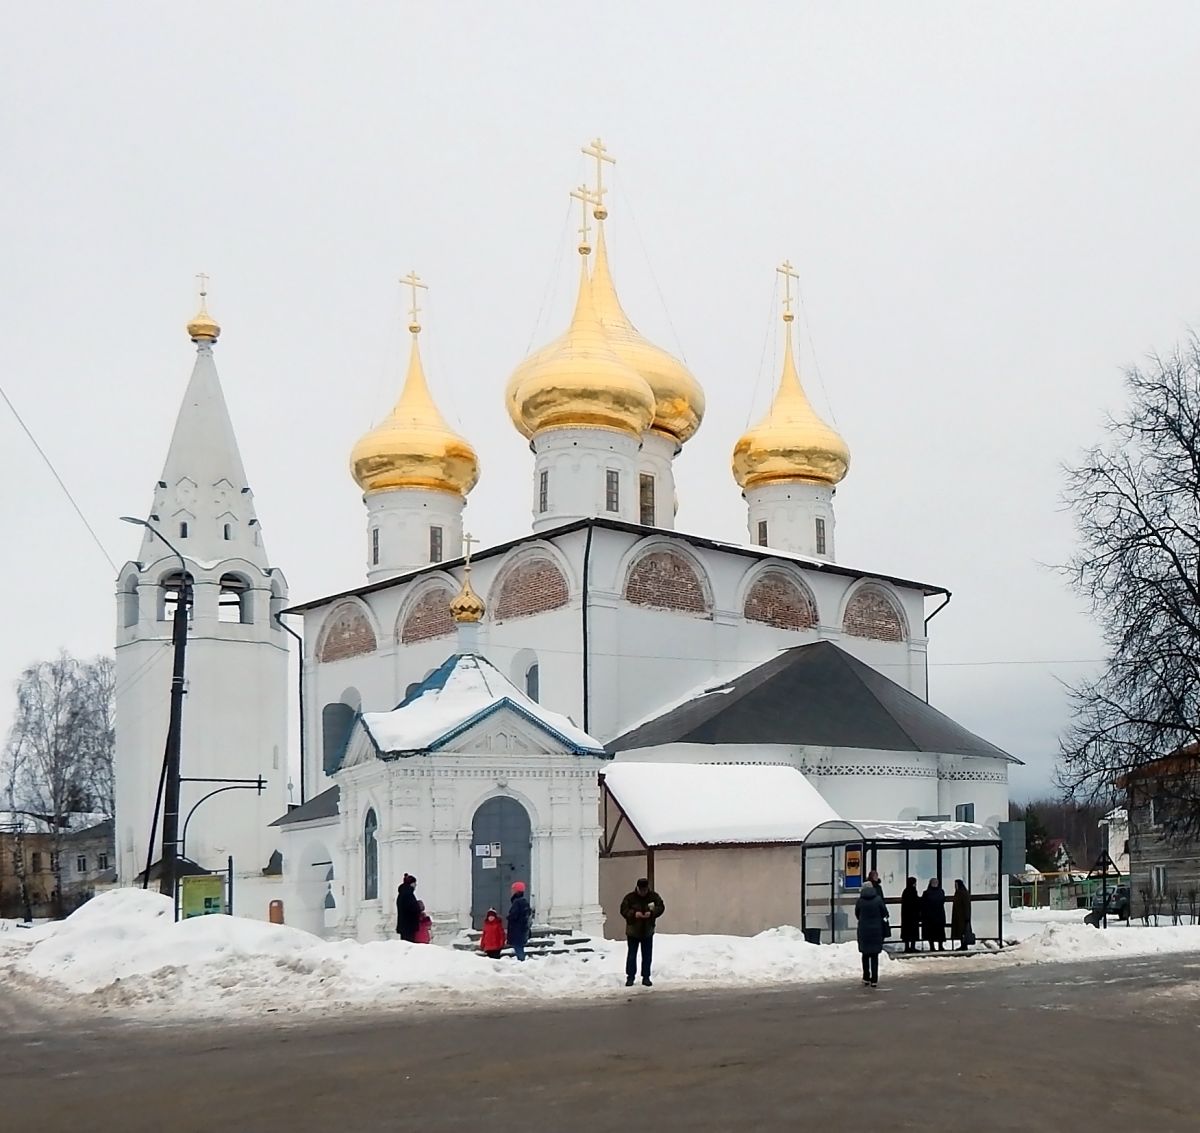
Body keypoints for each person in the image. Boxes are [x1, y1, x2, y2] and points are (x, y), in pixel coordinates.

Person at [619, 877, 665, 987]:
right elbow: (623, 910)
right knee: (632, 955)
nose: (643, 892)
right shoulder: (629, 898)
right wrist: (634, 914)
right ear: (638, 888)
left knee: (647, 955)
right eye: (641, 890)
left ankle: (646, 977)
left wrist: (652, 913)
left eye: (645, 890)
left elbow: (661, 907)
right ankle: (630, 977)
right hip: (633, 931)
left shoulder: (654, 896)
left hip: (648, 930)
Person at [854, 880, 887, 986]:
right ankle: (874, 979)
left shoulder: (860, 901)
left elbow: (857, 914)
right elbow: (884, 913)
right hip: (876, 930)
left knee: (865, 955)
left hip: (864, 930)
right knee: (874, 956)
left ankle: (866, 977)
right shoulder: (878, 899)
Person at [507, 881, 532, 961]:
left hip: (518, 929)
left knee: (518, 947)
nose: (511, 891)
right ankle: (521, 961)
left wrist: (509, 917)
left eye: (513, 889)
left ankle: (521, 961)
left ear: (516, 890)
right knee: (519, 946)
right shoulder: (523, 901)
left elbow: (514, 915)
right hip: (522, 929)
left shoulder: (517, 902)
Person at [920, 878, 947, 952]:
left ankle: (933, 947)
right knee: (938, 932)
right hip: (937, 916)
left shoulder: (927, 893)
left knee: (931, 932)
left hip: (931, 916)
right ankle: (939, 946)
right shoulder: (941, 892)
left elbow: (923, 904)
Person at [396, 874, 421, 942]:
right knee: (409, 945)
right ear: (411, 884)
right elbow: (412, 908)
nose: (415, 885)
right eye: (415, 883)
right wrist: (419, 907)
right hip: (409, 926)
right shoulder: (408, 894)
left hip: (404, 925)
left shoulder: (402, 893)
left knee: (405, 944)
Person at [900, 876, 921, 953]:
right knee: (913, 932)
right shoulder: (913, 891)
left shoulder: (905, 891)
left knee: (907, 932)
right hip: (913, 916)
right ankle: (912, 947)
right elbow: (916, 903)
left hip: (906, 916)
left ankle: (907, 947)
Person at [868, 869, 890, 940]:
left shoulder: (878, 887)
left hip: (878, 910)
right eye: (875, 876)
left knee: (881, 927)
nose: (877, 877)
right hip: (875, 910)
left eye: (877, 875)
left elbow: (881, 899)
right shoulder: (871, 887)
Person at [951, 879, 973, 951]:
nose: (955, 886)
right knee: (961, 931)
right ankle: (963, 945)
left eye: (956, 885)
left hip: (963, 917)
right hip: (958, 916)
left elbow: (966, 906)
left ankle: (964, 945)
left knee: (963, 931)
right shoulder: (958, 892)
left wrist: (967, 917)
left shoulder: (963, 893)